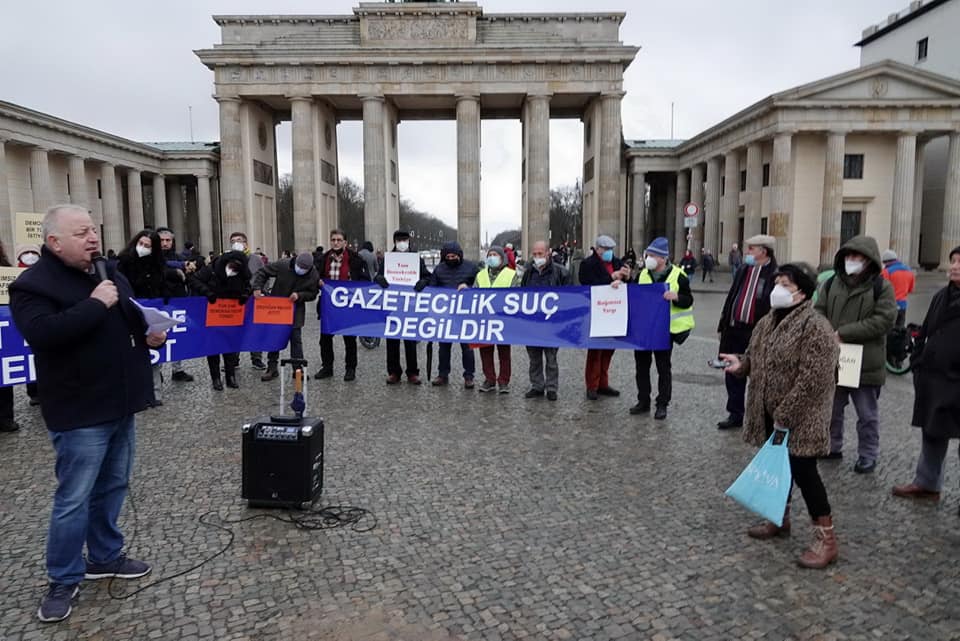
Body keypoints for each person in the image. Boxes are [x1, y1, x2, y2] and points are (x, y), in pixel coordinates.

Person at [9, 204, 165, 622]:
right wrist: (96, 304)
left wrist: (150, 335)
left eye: (93, 230)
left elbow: (129, 317)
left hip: (121, 400)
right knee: (73, 497)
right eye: (81, 233)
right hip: (79, 409)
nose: (93, 239)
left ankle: (105, 556)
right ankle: (62, 578)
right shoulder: (32, 285)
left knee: (113, 487)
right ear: (54, 242)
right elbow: (44, 334)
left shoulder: (108, 270)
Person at [720, 263, 841, 569]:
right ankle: (779, 518)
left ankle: (826, 540)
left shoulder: (816, 327)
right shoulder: (767, 321)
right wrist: (741, 364)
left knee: (804, 472)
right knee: (779, 469)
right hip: (770, 414)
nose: (778, 289)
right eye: (777, 283)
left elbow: (815, 379)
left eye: (785, 284)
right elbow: (755, 355)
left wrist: (786, 413)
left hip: (801, 417)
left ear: (802, 290)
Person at [815, 235, 897, 473]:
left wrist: (844, 333)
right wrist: (826, 331)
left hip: (866, 362)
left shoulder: (882, 286)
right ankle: (832, 446)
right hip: (835, 358)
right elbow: (818, 310)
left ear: (869, 260)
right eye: (849, 256)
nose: (852, 260)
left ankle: (867, 455)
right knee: (832, 409)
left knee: (867, 415)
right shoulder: (831, 283)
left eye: (857, 256)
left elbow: (884, 320)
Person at [892, 246, 960, 512]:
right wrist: (918, 361)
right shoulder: (942, 295)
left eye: (959, 262)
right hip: (935, 377)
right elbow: (927, 328)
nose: (954, 266)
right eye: (953, 261)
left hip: (957, 378)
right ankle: (927, 483)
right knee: (932, 431)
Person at [716, 234, 779, 430]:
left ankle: (761, 416)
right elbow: (732, 297)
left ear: (763, 251)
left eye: (752, 249)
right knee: (732, 371)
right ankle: (735, 413)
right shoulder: (744, 269)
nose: (748, 252)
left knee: (759, 373)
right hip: (734, 328)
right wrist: (723, 323)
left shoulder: (775, 274)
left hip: (756, 332)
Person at [631, 237, 694, 420]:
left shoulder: (678, 276)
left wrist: (676, 297)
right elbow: (632, 294)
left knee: (663, 368)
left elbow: (688, 300)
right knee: (641, 367)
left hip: (664, 331)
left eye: (651, 255)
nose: (647, 258)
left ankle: (662, 403)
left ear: (662, 258)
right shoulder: (642, 274)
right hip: (643, 330)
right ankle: (643, 401)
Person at [116, 230, 180, 405]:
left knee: (153, 352)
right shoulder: (124, 262)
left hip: (151, 311)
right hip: (130, 311)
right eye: (141, 244)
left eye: (148, 246)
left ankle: (154, 393)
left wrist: (164, 295)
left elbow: (161, 283)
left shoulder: (157, 264)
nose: (143, 248)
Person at [416, 240, 477, 388]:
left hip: (464, 313)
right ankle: (443, 374)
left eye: (453, 256)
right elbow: (433, 288)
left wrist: (469, 287)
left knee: (467, 347)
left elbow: (479, 286)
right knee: (443, 347)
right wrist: (425, 284)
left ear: (459, 255)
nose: (451, 258)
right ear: (444, 256)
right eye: (448, 256)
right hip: (444, 315)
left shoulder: (471, 268)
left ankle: (469, 376)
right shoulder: (439, 269)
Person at [189, 249, 252, 390]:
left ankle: (230, 376)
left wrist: (245, 295)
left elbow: (248, 286)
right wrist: (208, 293)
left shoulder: (242, 273)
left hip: (231, 314)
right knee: (213, 346)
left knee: (230, 346)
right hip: (213, 312)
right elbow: (193, 280)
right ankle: (216, 378)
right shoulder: (211, 269)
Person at [578, 234, 632, 400]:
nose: (609, 252)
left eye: (611, 249)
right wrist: (610, 278)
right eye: (606, 249)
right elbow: (586, 283)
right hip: (597, 312)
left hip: (615, 312)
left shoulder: (617, 262)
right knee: (595, 351)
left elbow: (630, 285)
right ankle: (592, 386)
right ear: (598, 249)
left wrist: (628, 277)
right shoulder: (587, 264)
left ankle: (603, 383)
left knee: (608, 349)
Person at [253, 252, 320, 380]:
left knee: (296, 340)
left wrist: (299, 295)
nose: (301, 270)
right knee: (274, 338)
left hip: (296, 310)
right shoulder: (283, 264)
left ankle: (298, 370)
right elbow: (263, 272)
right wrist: (257, 287)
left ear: (310, 269)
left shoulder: (313, 275)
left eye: (304, 269)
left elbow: (313, 293)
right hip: (277, 308)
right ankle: (272, 368)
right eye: (300, 266)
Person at [315, 228, 370, 382]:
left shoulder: (356, 259)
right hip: (328, 305)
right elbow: (315, 276)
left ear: (345, 242)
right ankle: (327, 367)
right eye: (333, 240)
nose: (336, 242)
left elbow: (365, 280)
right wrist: (317, 282)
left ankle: (350, 369)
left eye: (339, 240)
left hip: (349, 305)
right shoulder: (324, 258)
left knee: (349, 339)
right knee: (325, 338)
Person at [378, 230, 430, 385]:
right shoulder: (388, 258)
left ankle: (412, 372)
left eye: (404, 240)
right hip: (392, 304)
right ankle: (394, 372)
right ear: (394, 242)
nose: (402, 243)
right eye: (399, 240)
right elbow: (377, 276)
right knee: (392, 340)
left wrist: (423, 282)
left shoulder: (416, 259)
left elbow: (427, 275)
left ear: (409, 241)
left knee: (410, 340)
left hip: (410, 305)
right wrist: (380, 278)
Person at [522, 240, 569, 401]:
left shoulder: (561, 272)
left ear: (548, 253)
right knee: (534, 358)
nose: (537, 257)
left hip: (552, 323)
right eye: (534, 254)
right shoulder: (528, 272)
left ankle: (551, 388)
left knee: (551, 359)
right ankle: (537, 386)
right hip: (532, 323)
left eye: (540, 254)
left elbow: (570, 295)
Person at [475, 246, 520, 394]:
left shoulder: (511, 274)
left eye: (495, 255)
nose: (492, 257)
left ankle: (504, 381)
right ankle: (489, 379)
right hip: (484, 319)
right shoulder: (480, 275)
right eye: (490, 255)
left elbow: (517, 295)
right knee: (485, 351)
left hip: (503, 319)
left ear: (502, 258)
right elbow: (474, 294)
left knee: (504, 352)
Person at [156, 228, 195, 383]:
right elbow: (162, 267)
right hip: (159, 301)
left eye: (168, 240)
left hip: (178, 301)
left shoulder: (179, 257)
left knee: (177, 337)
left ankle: (177, 369)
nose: (165, 243)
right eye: (161, 240)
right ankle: (156, 369)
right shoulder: (152, 259)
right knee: (158, 336)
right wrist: (179, 269)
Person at [227, 231, 268, 371]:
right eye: (233, 241)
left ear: (246, 243)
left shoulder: (256, 259)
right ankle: (233, 360)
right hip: (234, 300)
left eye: (239, 240)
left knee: (255, 329)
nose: (236, 243)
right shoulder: (226, 259)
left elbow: (264, 275)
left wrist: (262, 292)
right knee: (234, 330)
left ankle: (256, 359)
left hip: (252, 298)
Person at [880, 249, 915, 327]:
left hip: (889, 306)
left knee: (888, 332)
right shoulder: (909, 271)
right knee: (899, 332)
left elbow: (881, 289)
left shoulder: (886, 272)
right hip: (902, 306)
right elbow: (911, 290)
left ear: (886, 262)